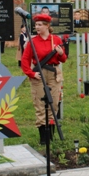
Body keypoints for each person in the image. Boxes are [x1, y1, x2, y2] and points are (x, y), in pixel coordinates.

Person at [21, 14, 67, 145]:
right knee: (40, 105)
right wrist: (30, 73)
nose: (37, 27)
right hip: (39, 74)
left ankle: (50, 136)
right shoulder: (33, 41)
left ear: (47, 26)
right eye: (36, 25)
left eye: (40, 25)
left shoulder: (55, 39)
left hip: (53, 74)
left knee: (53, 103)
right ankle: (43, 138)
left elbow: (63, 59)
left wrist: (61, 53)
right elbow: (25, 60)